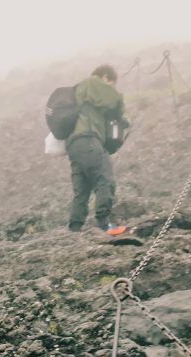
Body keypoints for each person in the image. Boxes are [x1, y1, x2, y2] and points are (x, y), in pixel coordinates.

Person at [66, 64, 127, 235]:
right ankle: (104, 224)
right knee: (105, 179)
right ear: (106, 77)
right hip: (88, 140)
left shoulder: (80, 90)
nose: (112, 87)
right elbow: (114, 99)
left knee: (82, 188)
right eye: (112, 83)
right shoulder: (93, 82)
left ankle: (74, 227)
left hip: (74, 145)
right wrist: (122, 116)